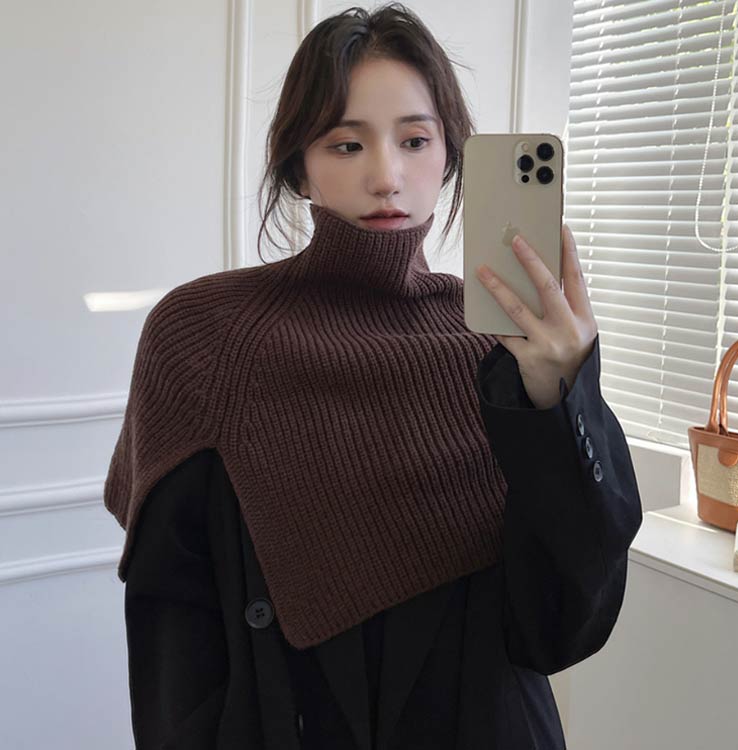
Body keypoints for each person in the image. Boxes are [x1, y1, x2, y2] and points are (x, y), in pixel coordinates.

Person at [104, 4, 644, 749]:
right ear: (299, 165)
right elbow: (172, 613)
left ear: (449, 156)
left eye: (415, 140)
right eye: (346, 142)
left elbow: (562, 628)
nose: (386, 177)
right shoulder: (206, 334)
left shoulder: (504, 346)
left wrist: (558, 395)